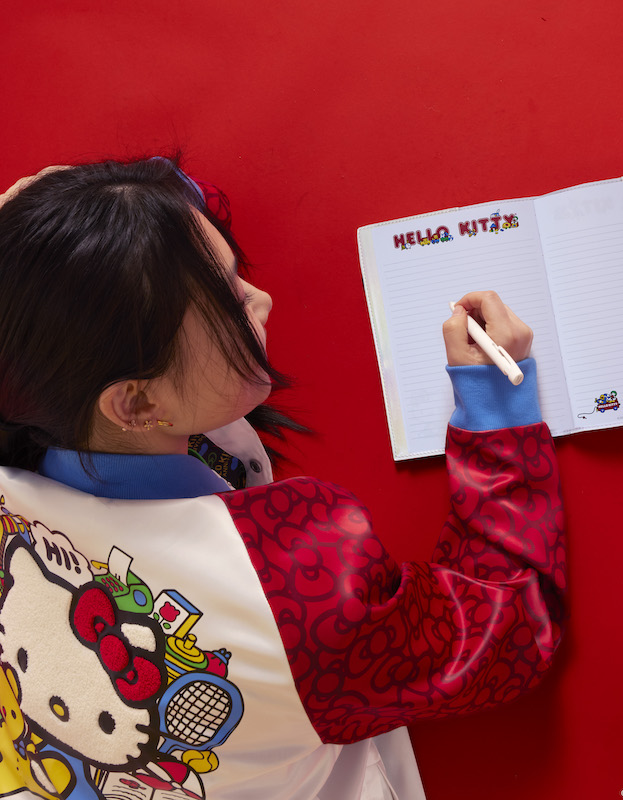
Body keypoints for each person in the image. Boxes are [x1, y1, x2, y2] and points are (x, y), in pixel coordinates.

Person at [0, 157, 566, 800]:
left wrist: (74, 220)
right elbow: (504, 626)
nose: (261, 299)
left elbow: (176, 228)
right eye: (232, 302)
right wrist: (496, 414)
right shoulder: (295, 585)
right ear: (134, 404)